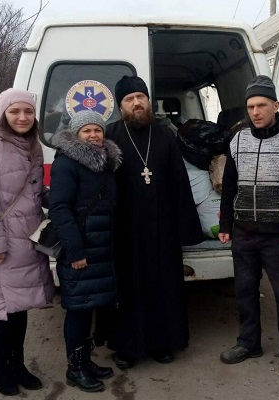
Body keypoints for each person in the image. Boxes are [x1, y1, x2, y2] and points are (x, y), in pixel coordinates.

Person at [218, 75, 279, 382]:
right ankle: (249, 343)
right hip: (244, 233)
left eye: (261, 105)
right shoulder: (237, 140)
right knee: (245, 292)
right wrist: (225, 225)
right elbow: (230, 185)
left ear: (275, 105)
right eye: (251, 106)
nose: (256, 112)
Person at [104, 75, 203, 368]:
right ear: (120, 106)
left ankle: (163, 342)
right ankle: (127, 346)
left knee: (164, 285)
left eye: (141, 97)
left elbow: (179, 181)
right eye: (129, 99)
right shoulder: (110, 136)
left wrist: (185, 227)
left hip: (163, 228)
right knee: (128, 287)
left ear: (148, 100)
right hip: (127, 228)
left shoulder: (165, 135)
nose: (137, 103)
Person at [0, 88, 55, 396]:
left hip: (28, 238)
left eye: (28, 112)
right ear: (4, 114)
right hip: (3, 242)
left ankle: (18, 366)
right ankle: (0, 370)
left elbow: (35, 191)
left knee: (21, 308)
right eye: (15, 111)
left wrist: (61, 199)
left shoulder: (32, 145)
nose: (22, 117)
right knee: (5, 312)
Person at [48, 110, 122, 392]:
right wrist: (76, 251)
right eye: (86, 131)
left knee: (89, 305)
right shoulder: (66, 164)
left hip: (101, 247)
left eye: (98, 130)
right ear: (76, 134)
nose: (93, 135)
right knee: (78, 309)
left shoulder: (104, 163)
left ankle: (85, 361)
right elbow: (60, 209)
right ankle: (74, 369)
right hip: (80, 250)